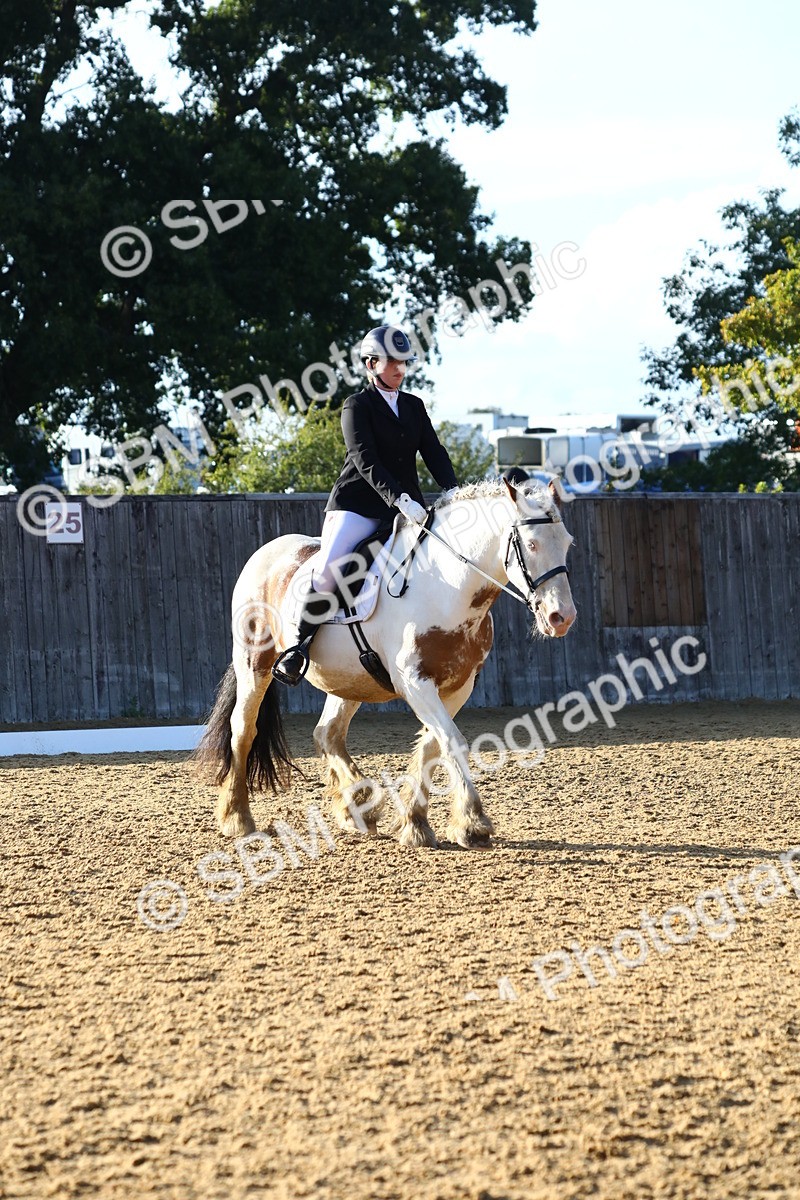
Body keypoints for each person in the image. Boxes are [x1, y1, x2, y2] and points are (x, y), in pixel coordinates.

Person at [272, 324, 459, 685]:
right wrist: (399, 498)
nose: (400, 370)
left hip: (406, 507)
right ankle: (297, 647)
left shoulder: (414, 406)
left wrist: (453, 491)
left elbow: (434, 453)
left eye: (404, 363)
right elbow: (364, 459)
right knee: (329, 569)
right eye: (392, 363)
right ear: (371, 364)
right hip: (358, 505)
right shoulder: (356, 406)